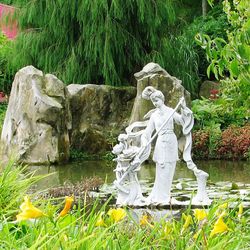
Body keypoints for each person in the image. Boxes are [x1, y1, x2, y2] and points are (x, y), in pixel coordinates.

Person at [140, 86, 186, 205]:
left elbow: (181, 121)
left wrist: (183, 108)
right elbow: (148, 131)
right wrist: (145, 141)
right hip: (160, 141)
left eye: (157, 100)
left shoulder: (170, 111)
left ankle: (166, 195)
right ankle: (160, 196)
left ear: (162, 99)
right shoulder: (154, 116)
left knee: (170, 168)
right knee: (161, 168)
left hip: (171, 140)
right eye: (153, 102)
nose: (155, 103)